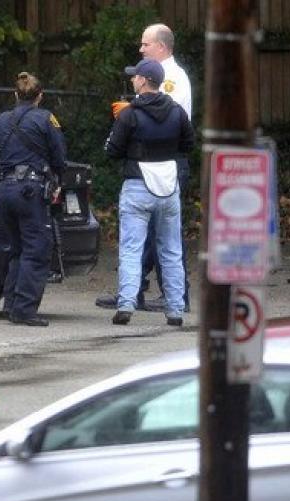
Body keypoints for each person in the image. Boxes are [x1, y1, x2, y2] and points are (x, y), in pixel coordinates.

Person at [97, 23, 194, 312]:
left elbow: (165, 117)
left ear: (161, 47)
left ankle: (170, 295)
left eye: (145, 44)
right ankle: (141, 291)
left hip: (162, 162)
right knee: (159, 233)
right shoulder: (165, 79)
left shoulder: (173, 79)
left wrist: (130, 115)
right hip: (163, 162)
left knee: (161, 236)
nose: (141, 48)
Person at [0, 72, 67, 327]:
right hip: (31, 191)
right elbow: (59, 157)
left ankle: (12, 305)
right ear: (40, 96)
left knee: (16, 248)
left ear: (15, 95)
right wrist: (59, 183)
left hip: (4, 190)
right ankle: (25, 310)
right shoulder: (47, 119)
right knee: (37, 250)